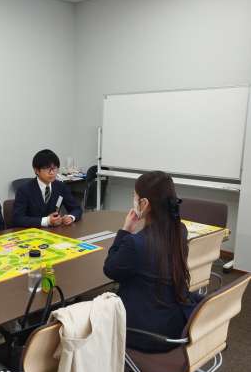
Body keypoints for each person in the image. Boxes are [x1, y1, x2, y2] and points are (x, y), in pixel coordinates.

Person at [103, 171, 195, 353]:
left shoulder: (135, 243)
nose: (134, 200)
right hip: (175, 322)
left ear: (144, 203)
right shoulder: (180, 230)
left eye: (135, 196)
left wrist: (125, 230)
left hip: (148, 334)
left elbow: (110, 269)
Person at [12, 149, 82, 228]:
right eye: (47, 169)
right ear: (36, 170)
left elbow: (76, 209)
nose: (52, 172)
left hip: (55, 231)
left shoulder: (60, 186)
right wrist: (46, 221)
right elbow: (17, 219)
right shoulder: (24, 190)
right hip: (33, 231)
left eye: (54, 168)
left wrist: (71, 217)